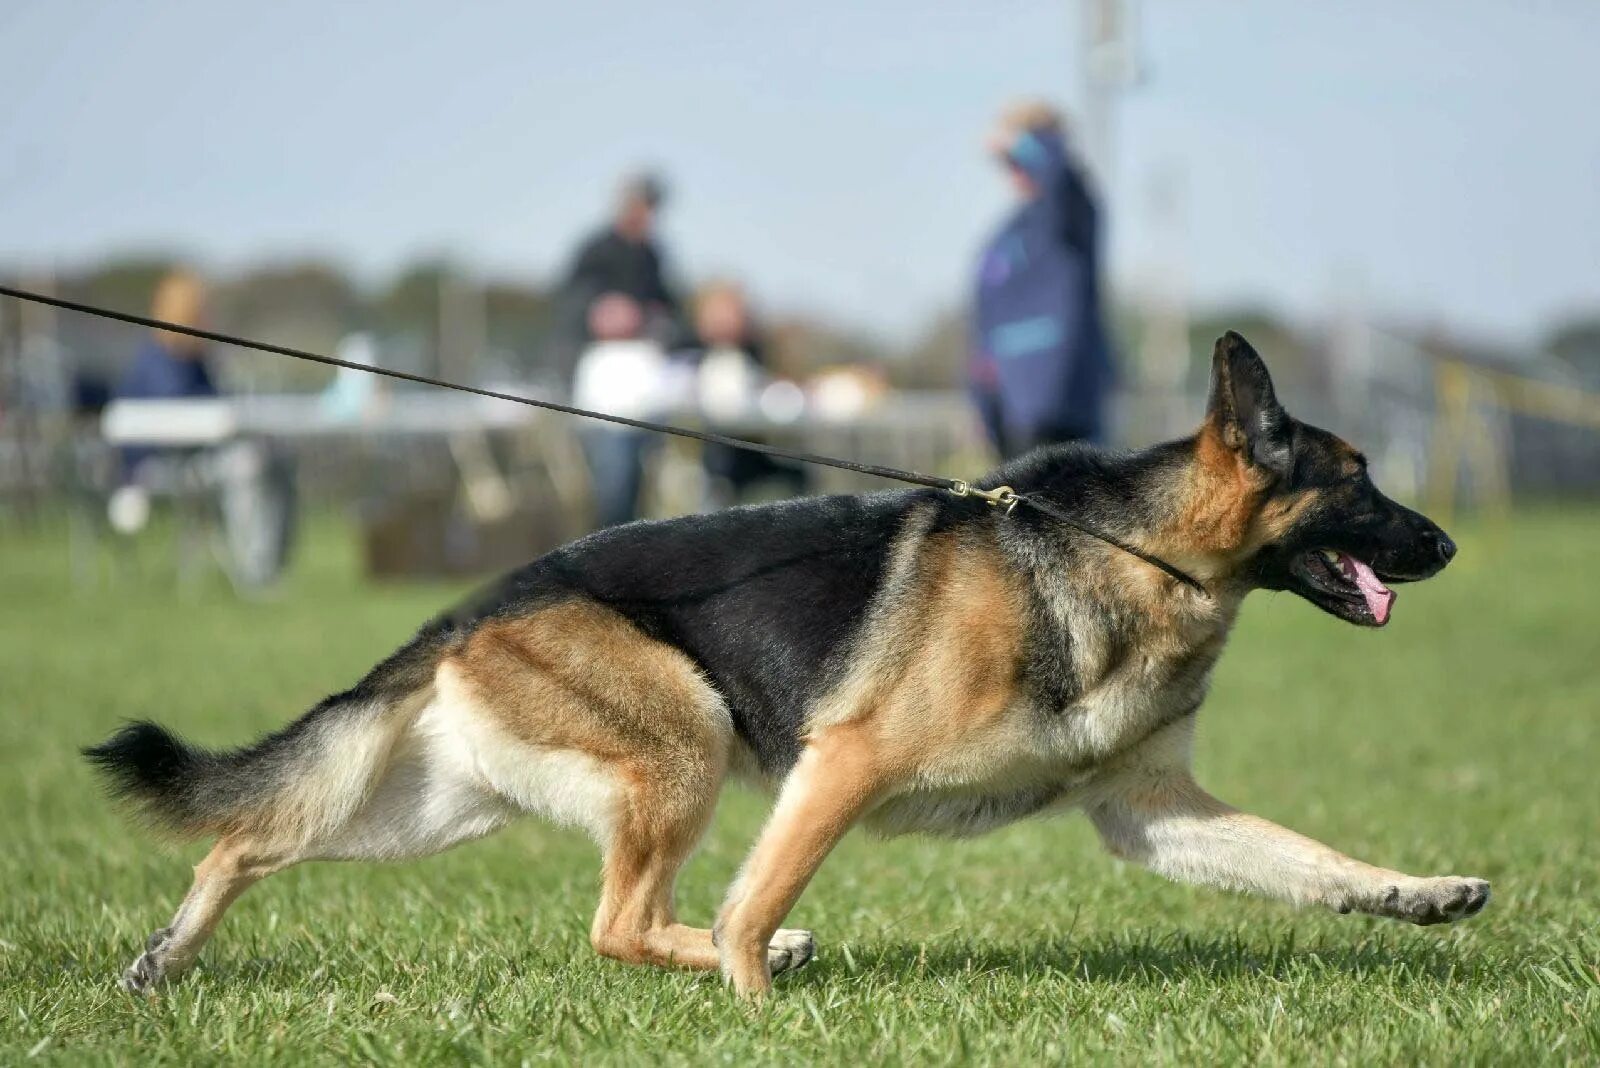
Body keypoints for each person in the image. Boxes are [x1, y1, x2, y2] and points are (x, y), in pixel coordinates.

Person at [970, 101, 1116, 459]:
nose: (1013, 171)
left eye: (1018, 158)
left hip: (1064, 408)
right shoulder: (1005, 234)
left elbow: (1057, 171)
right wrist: (981, 398)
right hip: (1010, 410)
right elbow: (985, 324)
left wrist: (1025, 141)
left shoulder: (1073, 210)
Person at [678, 281, 806, 507]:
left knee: (799, 474)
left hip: (750, 446)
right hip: (708, 452)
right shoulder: (688, 350)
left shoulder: (754, 351)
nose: (728, 322)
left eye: (735, 314)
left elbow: (771, 386)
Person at [553, 172, 683, 388]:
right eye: (639, 205)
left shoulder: (652, 256)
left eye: (650, 207)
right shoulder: (596, 250)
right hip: (594, 357)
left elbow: (666, 304)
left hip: (640, 358)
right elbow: (572, 304)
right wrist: (605, 312)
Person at [572, 292, 679, 527]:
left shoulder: (647, 352)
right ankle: (615, 523)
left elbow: (661, 398)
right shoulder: (594, 356)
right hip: (605, 435)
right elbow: (587, 411)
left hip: (645, 433)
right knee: (615, 455)